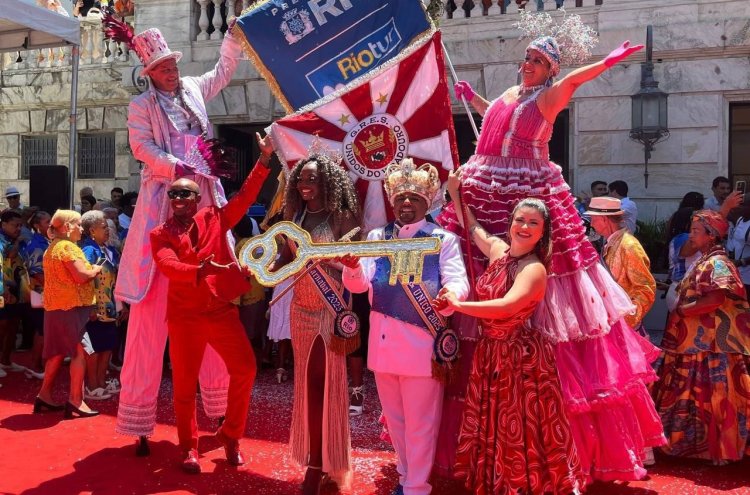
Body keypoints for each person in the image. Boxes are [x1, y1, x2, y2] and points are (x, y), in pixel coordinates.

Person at [444, 35, 665, 482]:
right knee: (475, 257)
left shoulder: (550, 96)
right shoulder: (512, 95)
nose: (528, 64)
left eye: (539, 60)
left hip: (524, 188)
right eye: (527, 57)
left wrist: (606, 62)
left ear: (550, 69)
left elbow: (575, 81)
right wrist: (477, 100)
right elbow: (501, 121)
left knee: (551, 275)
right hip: (486, 184)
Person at [109, 18, 246, 455]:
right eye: (163, 67)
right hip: (162, 203)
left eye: (172, 64)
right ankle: (140, 421)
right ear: (150, 73)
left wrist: (232, 38)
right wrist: (180, 166)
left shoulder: (192, 88)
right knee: (149, 320)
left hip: (204, 201)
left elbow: (222, 73)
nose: (170, 71)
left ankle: (220, 407)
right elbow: (141, 148)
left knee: (211, 301)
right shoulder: (140, 105)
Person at [439, 178, 584, 494]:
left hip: (518, 358)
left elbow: (507, 307)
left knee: (517, 424)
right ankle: (494, 481)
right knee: (493, 420)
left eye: (534, 222)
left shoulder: (534, 269)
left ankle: (519, 484)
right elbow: (472, 226)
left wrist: (459, 305)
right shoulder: (498, 250)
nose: (525, 226)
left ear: (542, 231)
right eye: (520, 219)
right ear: (510, 223)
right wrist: (454, 192)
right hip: (490, 351)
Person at [341, 158, 469, 495]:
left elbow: (458, 281)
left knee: (421, 424)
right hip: (384, 347)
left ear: (428, 202)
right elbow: (359, 284)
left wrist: (450, 295)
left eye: (414, 198)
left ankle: (416, 487)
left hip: (422, 345)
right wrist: (352, 268)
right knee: (396, 422)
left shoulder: (442, 238)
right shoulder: (376, 237)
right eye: (400, 199)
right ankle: (405, 476)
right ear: (392, 202)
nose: (406, 203)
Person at [150, 142, 270, 473]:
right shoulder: (160, 234)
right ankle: (189, 447)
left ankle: (231, 436)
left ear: (197, 198)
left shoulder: (215, 217)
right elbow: (168, 266)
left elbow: (245, 198)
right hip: (184, 317)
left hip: (219, 311)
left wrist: (263, 159)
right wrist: (201, 271)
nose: (178, 199)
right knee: (185, 387)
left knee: (245, 369)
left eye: (184, 194)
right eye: (173, 194)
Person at [273, 148, 361, 493]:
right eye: (302, 178)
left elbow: (356, 261)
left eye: (313, 178)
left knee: (329, 385)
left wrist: (326, 259)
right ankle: (313, 458)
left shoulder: (342, 216)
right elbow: (284, 255)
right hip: (301, 309)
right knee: (307, 386)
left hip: (330, 306)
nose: (306, 183)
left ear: (328, 181)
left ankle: (329, 463)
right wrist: (256, 269)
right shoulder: (293, 217)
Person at [651, 210, 750, 465]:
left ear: (712, 235)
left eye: (696, 231)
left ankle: (716, 450)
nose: (691, 234)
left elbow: (716, 298)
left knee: (714, 394)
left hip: (709, 343)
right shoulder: (704, 259)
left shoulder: (717, 263)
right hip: (694, 341)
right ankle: (697, 447)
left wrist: (682, 308)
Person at [34, 210, 101, 418]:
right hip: (69, 308)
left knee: (58, 353)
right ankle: (75, 400)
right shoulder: (67, 247)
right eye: (78, 224)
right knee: (79, 353)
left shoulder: (53, 247)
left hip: (58, 308)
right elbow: (81, 276)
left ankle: (44, 395)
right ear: (67, 227)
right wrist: (96, 270)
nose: (81, 228)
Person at [587, 197, 656, 333]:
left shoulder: (629, 245)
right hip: (610, 322)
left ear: (605, 219)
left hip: (622, 326)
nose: (592, 224)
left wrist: (626, 320)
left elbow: (645, 288)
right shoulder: (611, 243)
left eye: (594, 219)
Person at [80, 210, 124, 401]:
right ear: (92, 231)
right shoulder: (88, 251)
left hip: (111, 307)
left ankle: (101, 382)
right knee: (95, 348)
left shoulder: (110, 250)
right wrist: (90, 306)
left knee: (107, 346)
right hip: (95, 309)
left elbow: (118, 281)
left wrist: (122, 306)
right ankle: (92, 385)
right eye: (104, 227)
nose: (108, 230)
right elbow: (83, 279)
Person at [19, 210, 52, 379]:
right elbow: (36, 272)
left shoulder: (46, 241)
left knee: (44, 329)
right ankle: (35, 365)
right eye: (47, 222)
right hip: (41, 293)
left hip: (47, 292)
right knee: (42, 330)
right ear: (37, 226)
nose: (51, 225)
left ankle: (38, 363)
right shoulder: (37, 245)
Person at [0, 210, 30, 375]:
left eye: (20, 225)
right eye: (14, 225)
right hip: (3, 289)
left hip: (18, 290)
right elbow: (10, 255)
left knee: (13, 323)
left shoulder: (19, 239)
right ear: (3, 224)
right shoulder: (1, 240)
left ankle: (6, 360)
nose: (18, 228)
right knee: (2, 325)